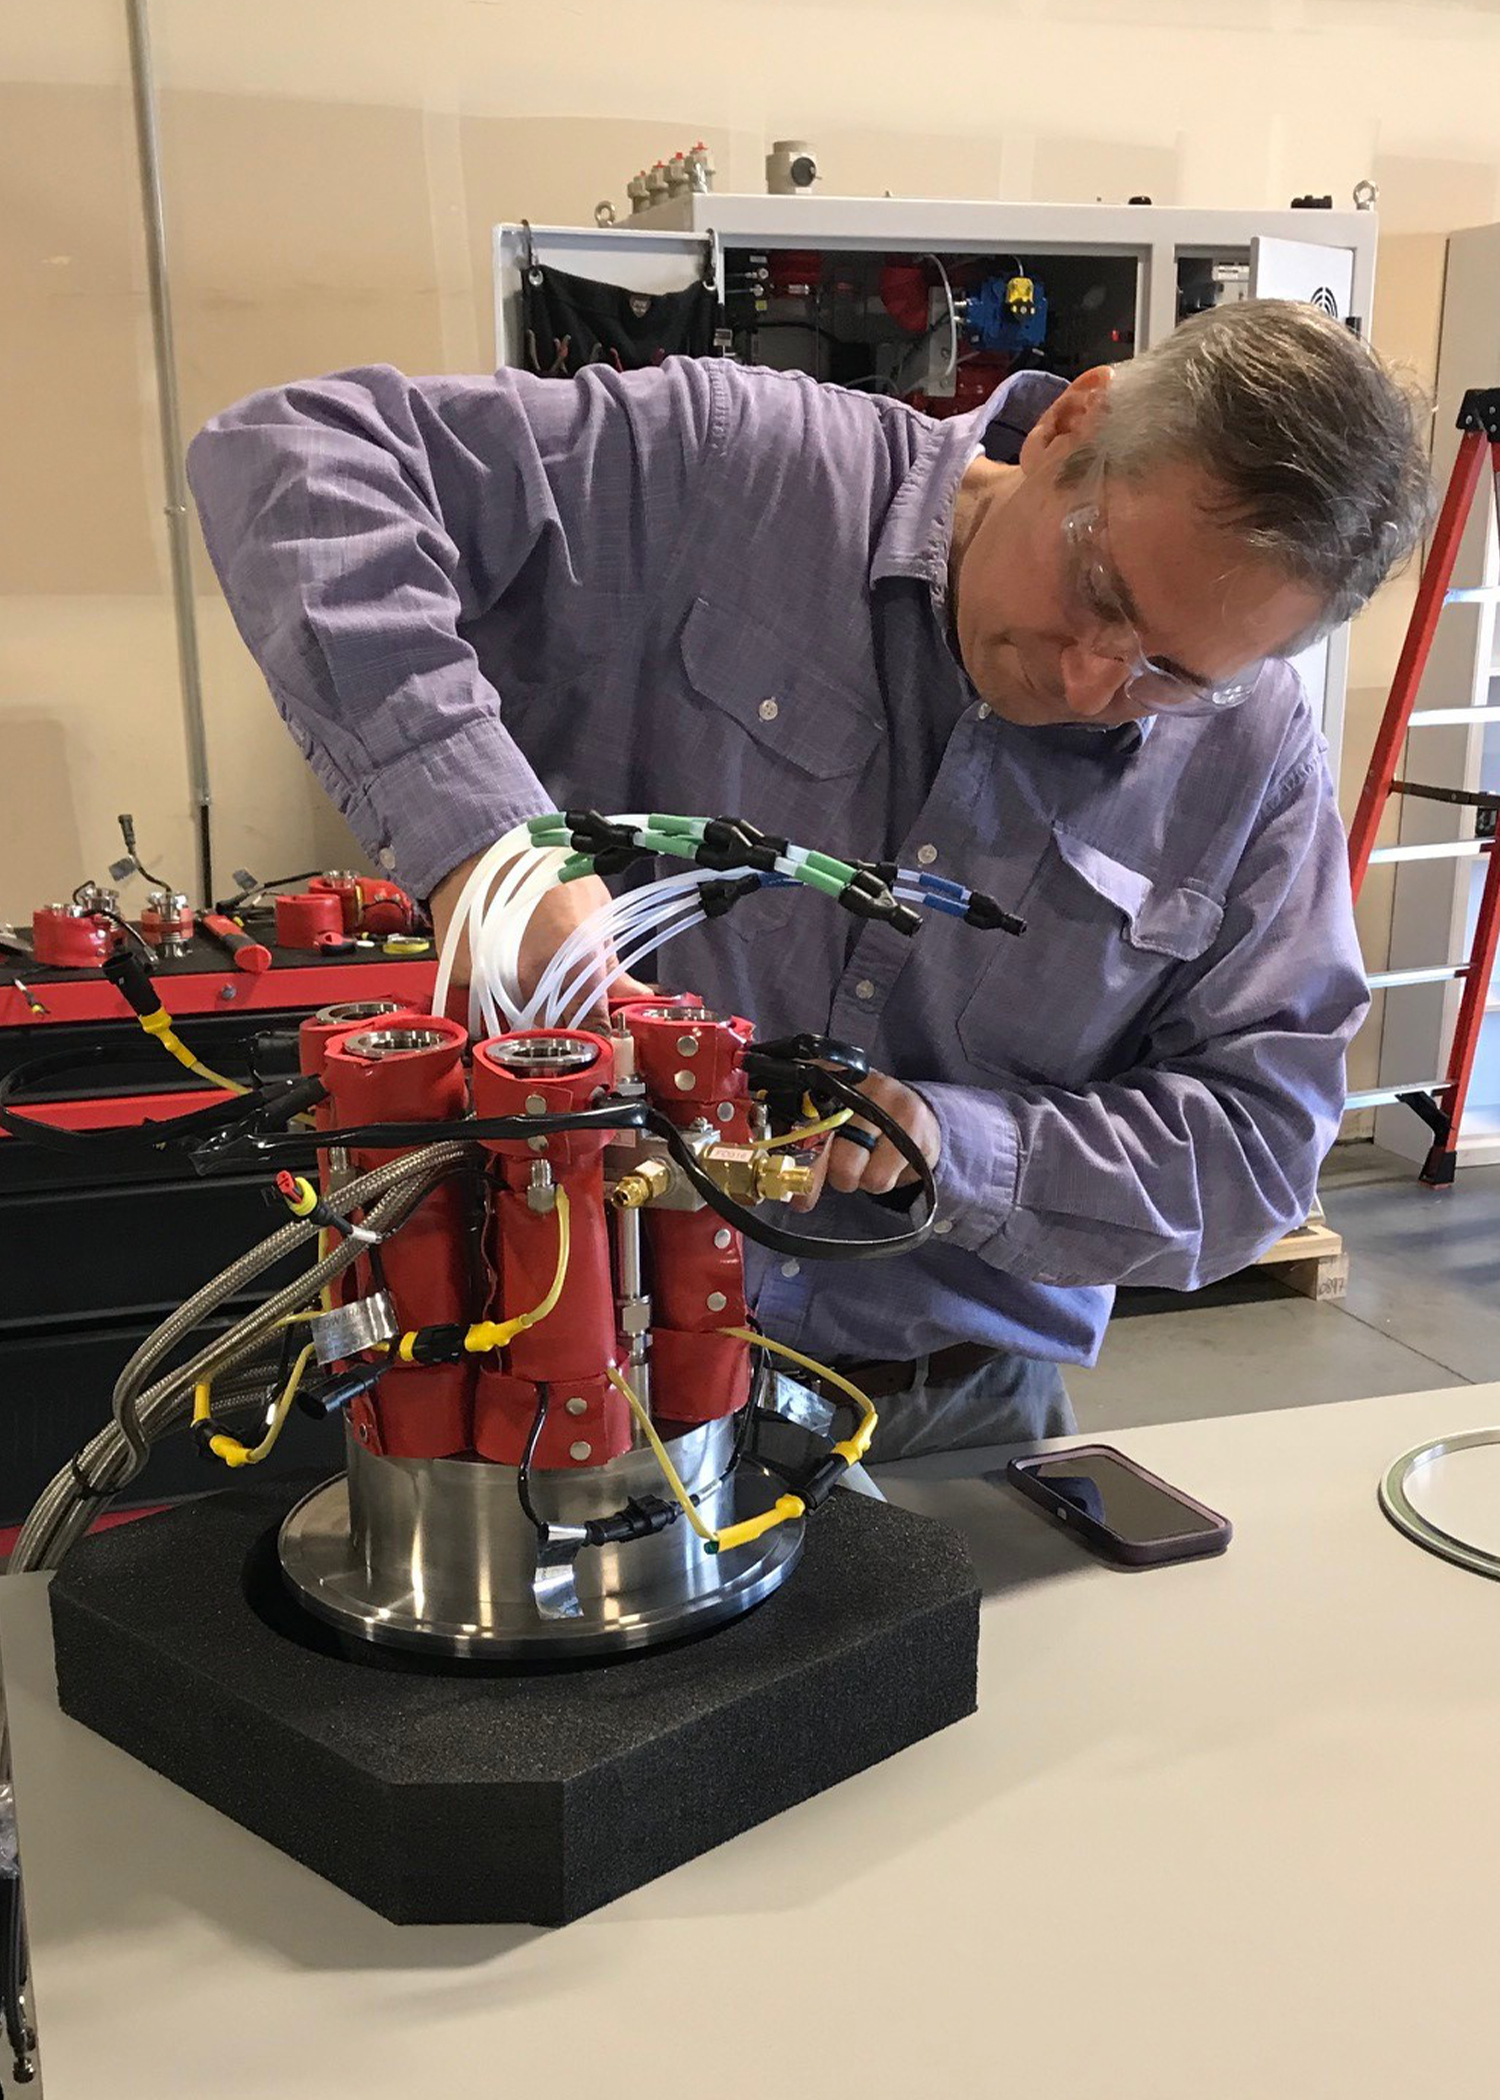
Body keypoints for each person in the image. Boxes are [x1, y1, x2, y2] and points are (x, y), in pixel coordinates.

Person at [186, 299, 1431, 1460]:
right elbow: (297, 453)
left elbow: (1259, 1148)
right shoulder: (735, 472)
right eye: (1097, 593)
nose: (1095, 682)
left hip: (954, 1412)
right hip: (570, 1383)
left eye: (1174, 672)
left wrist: (951, 1147)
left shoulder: (1255, 754)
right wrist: (482, 841)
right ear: (1070, 424)